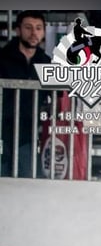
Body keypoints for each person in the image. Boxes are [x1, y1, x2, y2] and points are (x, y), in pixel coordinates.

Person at [0, 10, 51, 178]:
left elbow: (59, 97)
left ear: (44, 32)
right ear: (18, 30)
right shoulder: (2, 58)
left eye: (38, 28)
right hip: (2, 133)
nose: (34, 33)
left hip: (28, 135)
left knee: (29, 182)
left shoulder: (46, 63)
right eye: (28, 27)